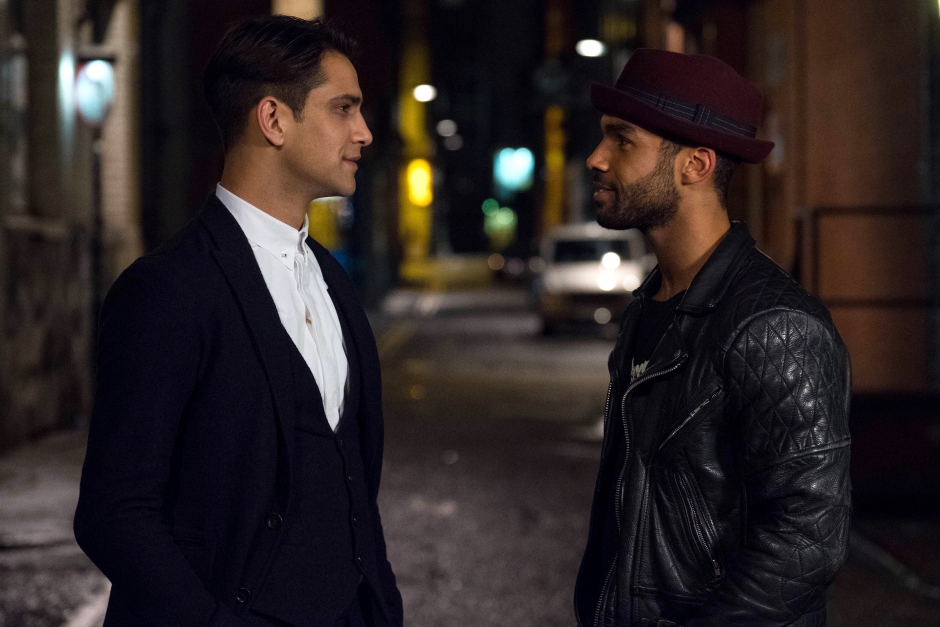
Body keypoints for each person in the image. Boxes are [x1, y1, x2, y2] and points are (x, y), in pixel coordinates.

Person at [74, 16, 402, 627]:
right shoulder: (168, 290)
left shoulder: (334, 283)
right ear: (273, 119)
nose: (363, 132)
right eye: (343, 108)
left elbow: (352, 482)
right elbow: (113, 513)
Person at [573, 49, 851, 627]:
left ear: (695, 165)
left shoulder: (774, 325)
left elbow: (807, 540)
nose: (596, 158)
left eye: (622, 140)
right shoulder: (651, 306)